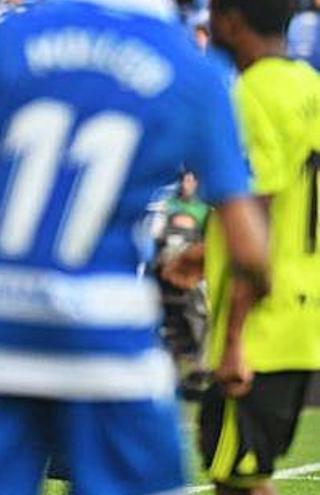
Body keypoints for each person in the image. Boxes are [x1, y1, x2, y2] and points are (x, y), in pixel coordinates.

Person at [0, 1, 271, 494]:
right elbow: (250, 249)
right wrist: (234, 337)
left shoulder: (13, 40)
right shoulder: (191, 68)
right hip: (109, 330)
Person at [167, 1, 320, 494]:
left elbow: (258, 214)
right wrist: (202, 252)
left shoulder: (252, 95)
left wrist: (233, 342)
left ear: (232, 22)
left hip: (261, 329)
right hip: (302, 318)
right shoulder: (309, 88)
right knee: (245, 478)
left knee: (234, 479)